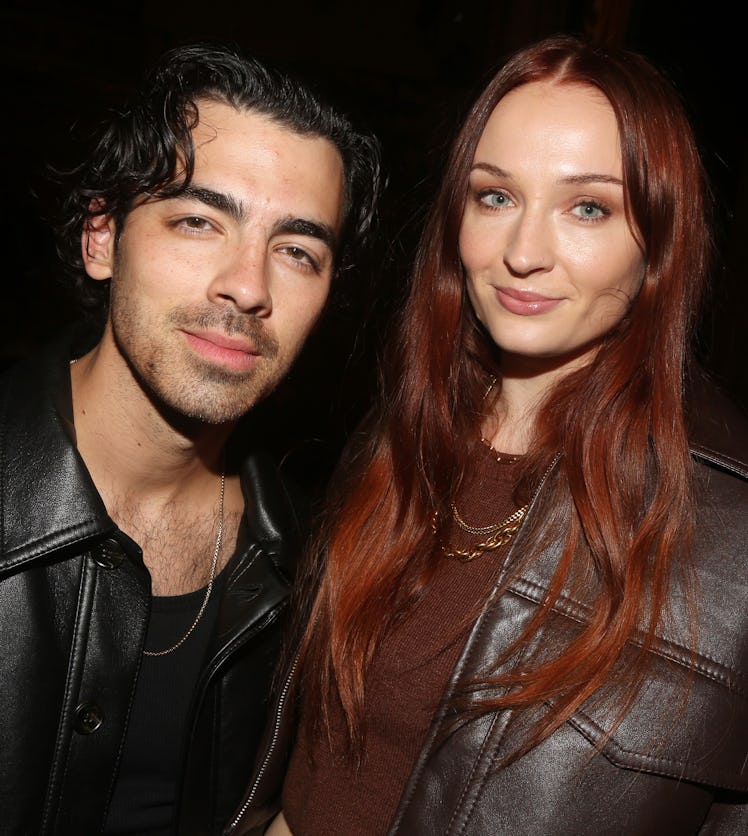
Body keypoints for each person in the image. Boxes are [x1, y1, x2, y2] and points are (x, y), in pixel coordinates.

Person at [231, 34, 748, 836]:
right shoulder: (398, 440)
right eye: (495, 197)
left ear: (659, 243)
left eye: (588, 207)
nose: (522, 253)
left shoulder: (725, 540)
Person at [0, 43, 380, 835]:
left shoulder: (320, 572)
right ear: (101, 238)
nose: (247, 284)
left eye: (298, 251)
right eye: (199, 221)